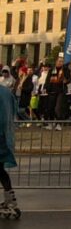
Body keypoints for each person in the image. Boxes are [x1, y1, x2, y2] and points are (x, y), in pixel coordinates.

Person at [0, 81, 19, 219]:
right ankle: (10, 199)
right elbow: (15, 109)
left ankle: (10, 200)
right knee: (0, 170)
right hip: (4, 136)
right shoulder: (6, 92)